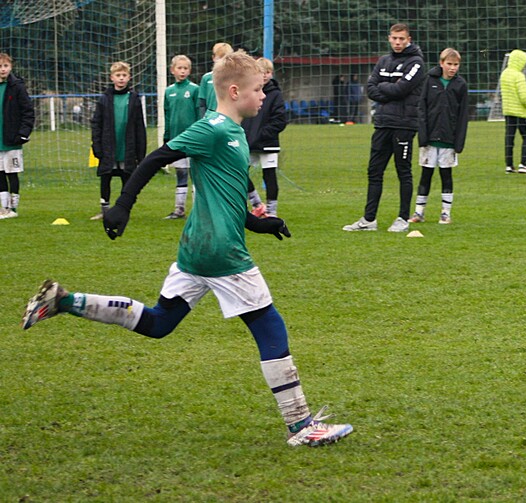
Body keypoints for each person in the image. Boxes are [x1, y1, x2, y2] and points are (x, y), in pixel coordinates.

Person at [22, 51, 353, 448]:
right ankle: (301, 426)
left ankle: (64, 301)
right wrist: (123, 205)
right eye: (257, 89)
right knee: (270, 326)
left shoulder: (234, 133)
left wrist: (259, 224)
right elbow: (157, 158)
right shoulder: (212, 128)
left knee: (160, 323)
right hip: (220, 251)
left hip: (196, 248)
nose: (263, 96)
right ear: (235, 91)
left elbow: (226, 195)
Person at [343, 23, 426, 233]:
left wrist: (384, 88)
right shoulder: (383, 61)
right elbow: (371, 89)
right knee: (374, 171)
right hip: (382, 124)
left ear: (409, 39)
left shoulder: (416, 62)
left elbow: (401, 89)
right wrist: (389, 89)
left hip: (404, 125)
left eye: (401, 39)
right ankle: (369, 219)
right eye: (394, 38)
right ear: (389, 38)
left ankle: (402, 218)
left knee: (403, 171)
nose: (397, 42)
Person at [408, 48, 469, 225]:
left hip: (449, 139)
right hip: (430, 139)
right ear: (441, 63)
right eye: (449, 64)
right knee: (425, 174)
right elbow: (422, 109)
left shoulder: (460, 85)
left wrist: (459, 142)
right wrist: (423, 135)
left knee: (446, 175)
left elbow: (463, 115)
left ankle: (445, 213)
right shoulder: (429, 81)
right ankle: (419, 212)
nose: (452, 68)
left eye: (456, 64)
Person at [90, 61, 146, 221]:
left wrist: (140, 153)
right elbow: (96, 124)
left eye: (124, 75)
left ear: (129, 77)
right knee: (106, 178)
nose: (121, 78)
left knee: (127, 179)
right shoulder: (104, 99)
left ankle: (123, 210)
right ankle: (104, 210)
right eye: (118, 75)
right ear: (112, 78)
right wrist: (97, 146)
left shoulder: (134, 99)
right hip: (108, 148)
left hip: (127, 148)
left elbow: (139, 126)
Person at [242, 57, 287, 218]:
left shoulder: (275, 94)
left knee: (269, 176)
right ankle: (256, 204)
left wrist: (262, 134)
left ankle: (272, 211)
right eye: (262, 72)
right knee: (240, 172)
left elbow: (280, 120)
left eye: (268, 72)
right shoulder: (249, 92)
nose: (265, 75)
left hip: (268, 143)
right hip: (250, 143)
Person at [162, 54, 200, 220]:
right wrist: (167, 137)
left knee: (196, 175)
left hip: (193, 140)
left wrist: (200, 135)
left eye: (185, 68)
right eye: (179, 68)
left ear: (189, 71)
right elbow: (167, 115)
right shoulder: (169, 91)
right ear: (172, 70)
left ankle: (198, 210)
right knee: (181, 174)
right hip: (177, 139)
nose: (182, 71)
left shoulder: (194, 89)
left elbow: (199, 113)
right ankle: (179, 209)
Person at [0, 52, 34, 220]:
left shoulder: (17, 87)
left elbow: (28, 112)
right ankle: (4, 208)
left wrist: (23, 133)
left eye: (5, 66)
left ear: (11, 67)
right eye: (0, 66)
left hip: (12, 140)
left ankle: (13, 208)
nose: (2, 69)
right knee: (0, 174)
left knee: (12, 174)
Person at [500, 49, 526, 174]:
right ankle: (523, 164)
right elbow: (524, 98)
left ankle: (509, 165)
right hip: (520, 112)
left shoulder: (504, 74)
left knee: (509, 138)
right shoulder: (519, 76)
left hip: (508, 111)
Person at [197, 42, 233, 118]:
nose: (223, 61)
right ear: (213, 58)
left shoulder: (234, 77)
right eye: (220, 57)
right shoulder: (206, 78)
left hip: (228, 117)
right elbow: (202, 103)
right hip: (210, 117)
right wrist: (203, 118)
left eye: (226, 58)